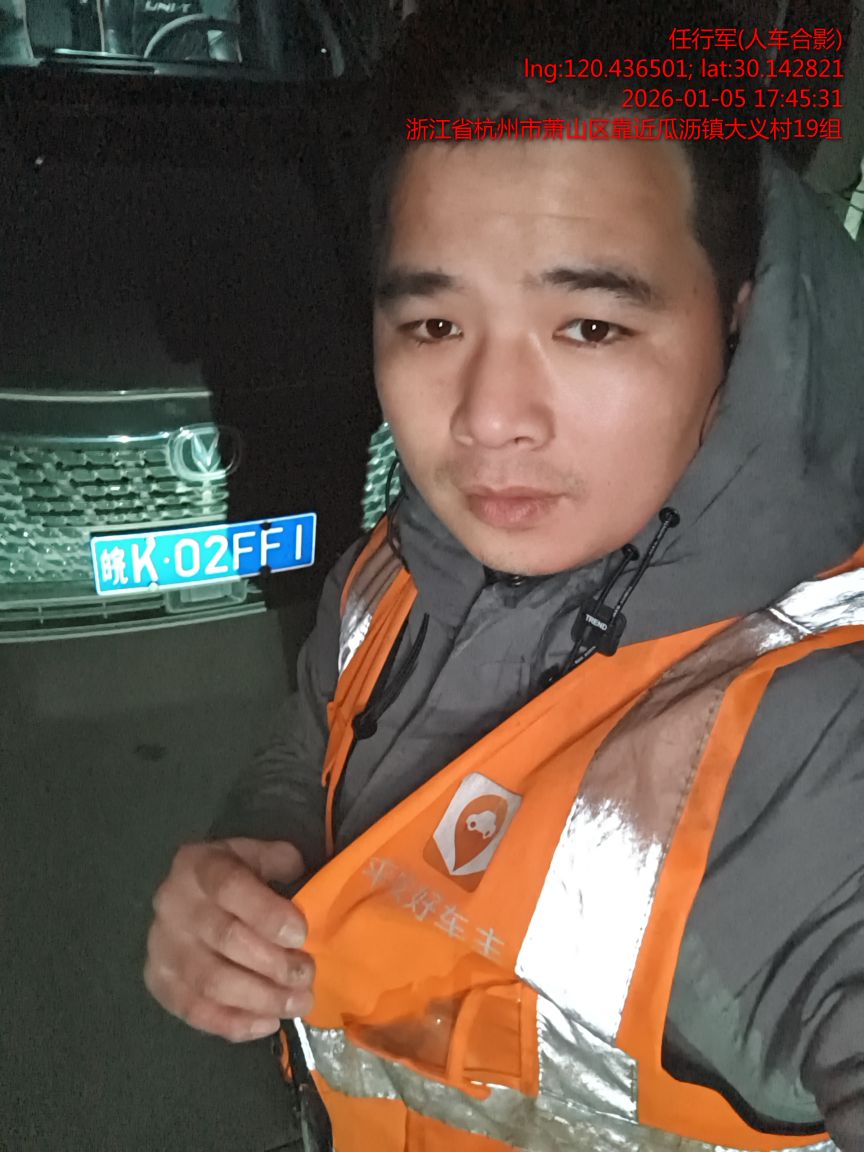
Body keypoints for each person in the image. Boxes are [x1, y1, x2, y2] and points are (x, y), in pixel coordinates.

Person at [144, 2, 864, 1148]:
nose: (488, 420)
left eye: (589, 327)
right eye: (434, 326)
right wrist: (253, 865)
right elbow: (311, 742)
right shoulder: (396, 569)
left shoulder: (816, 737)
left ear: (736, 314)